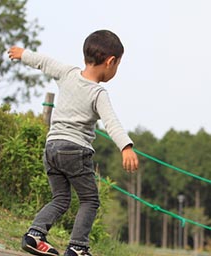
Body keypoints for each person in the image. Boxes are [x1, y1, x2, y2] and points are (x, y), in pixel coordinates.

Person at [8, 29, 139, 256]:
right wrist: (126, 147)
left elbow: (44, 62)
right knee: (89, 200)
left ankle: (34, 235)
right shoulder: (98, 94)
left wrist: (23, 54)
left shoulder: (68, 73)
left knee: (60, 198)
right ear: (110, 62)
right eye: (118, 65)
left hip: (52, 148)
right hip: (74, 151)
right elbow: (112, 123)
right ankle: (78, 247)